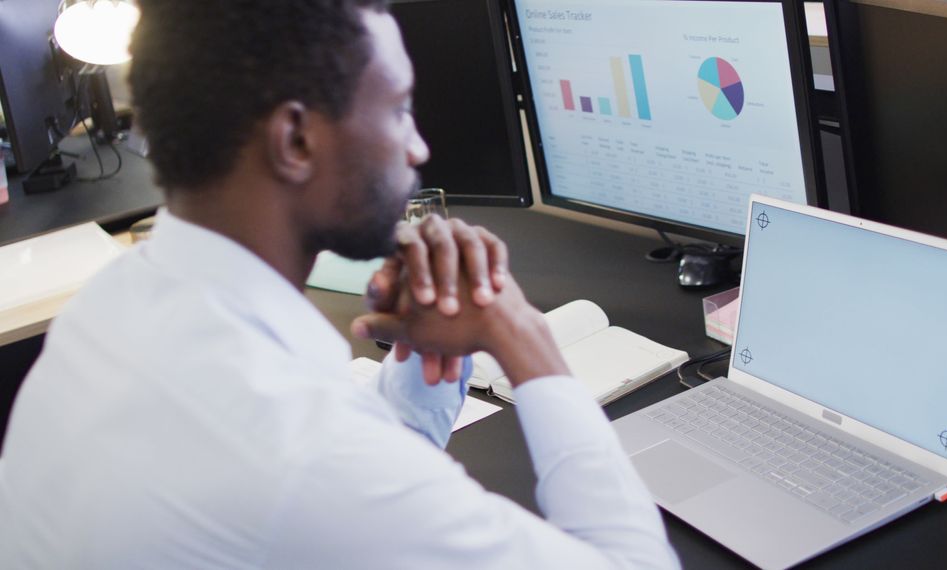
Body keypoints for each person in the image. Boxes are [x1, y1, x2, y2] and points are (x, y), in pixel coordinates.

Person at [0, 1, 678, 567]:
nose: (418, 149)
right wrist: (525, 339)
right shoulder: (299, 455)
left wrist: (426, 365)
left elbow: (341, 478)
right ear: (294, 140)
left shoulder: (112, 307)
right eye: (399, 110)